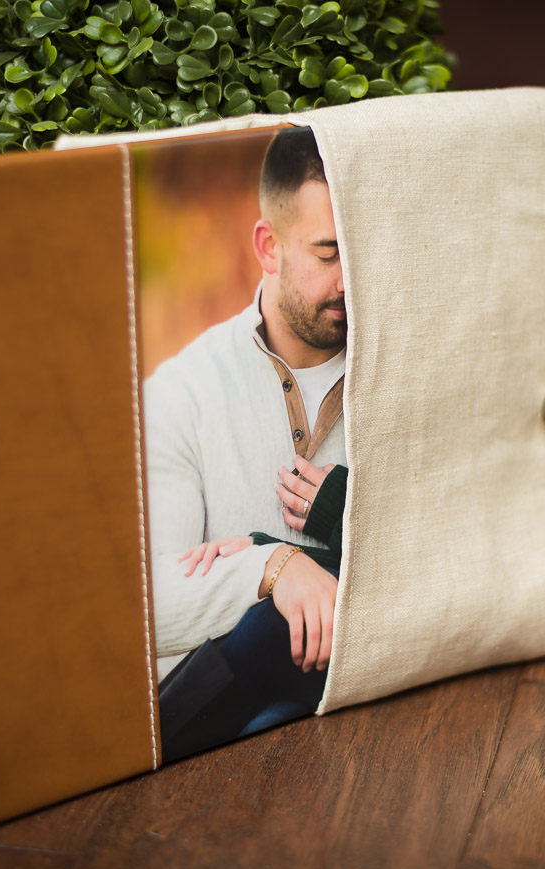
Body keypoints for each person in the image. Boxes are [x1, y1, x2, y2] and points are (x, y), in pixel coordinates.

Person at [142, 127, 348, 759]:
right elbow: (145, 606)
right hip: (222, 752)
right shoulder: (180, 393)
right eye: (329, 253)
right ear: (269, 247)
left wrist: (351, 509)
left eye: (368, 252)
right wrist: (271, 567)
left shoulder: (411, 372)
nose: (352, 280)